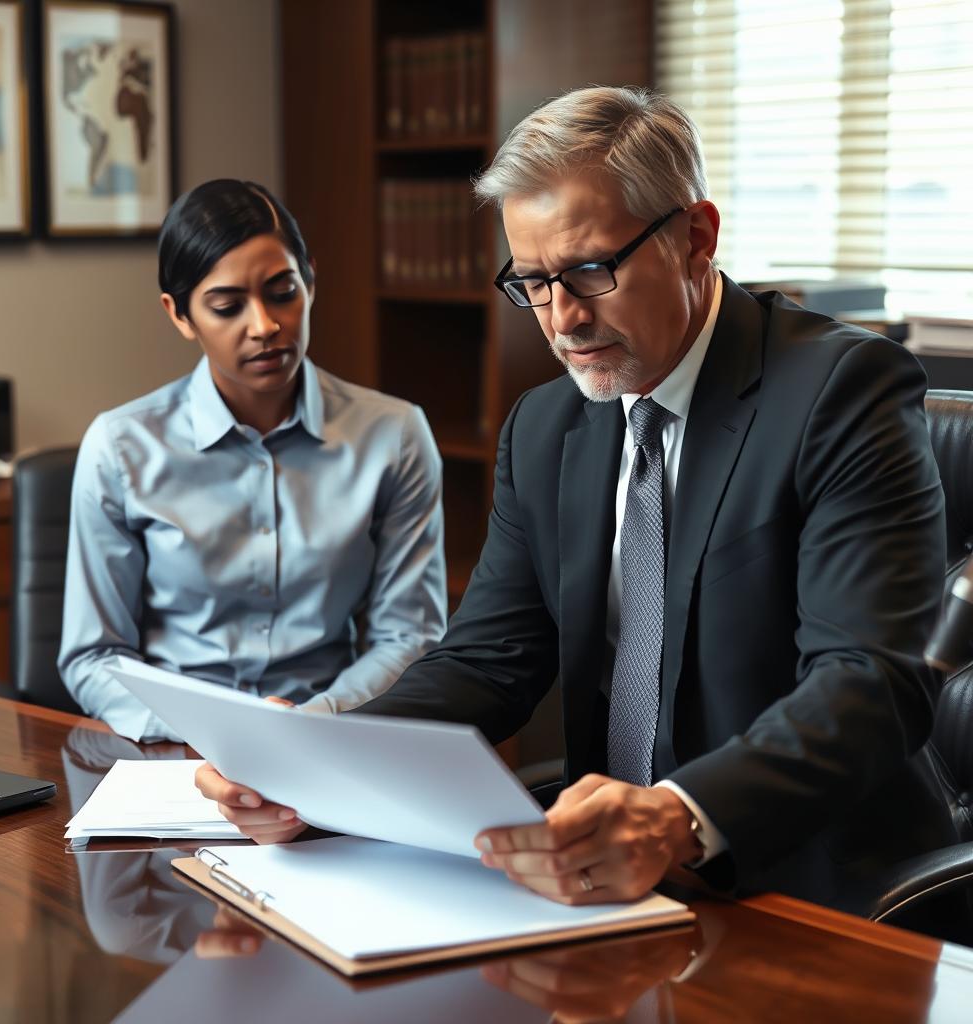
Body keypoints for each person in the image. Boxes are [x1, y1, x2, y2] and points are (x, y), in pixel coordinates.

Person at [196, 90, 958, 914]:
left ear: (696, 238)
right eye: (533, 282)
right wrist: (320, 761)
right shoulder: (547, 426)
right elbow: (488, 662)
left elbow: (868, 682)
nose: (562, 320)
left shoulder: (839, 391)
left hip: (814, 895)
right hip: (599, 889)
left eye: (591, 270)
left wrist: (679, 816)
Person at [59, 179, 447, 741]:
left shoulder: (395, 436)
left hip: (331, 739)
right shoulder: (120, 449)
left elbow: (409, 637)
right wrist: (218, 735)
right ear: (180, 315)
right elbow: (94, 656)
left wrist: (314, 722)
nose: (264, 326)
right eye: (227, 306)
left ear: (310, 281)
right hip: (176, 751)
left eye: (282, 291)